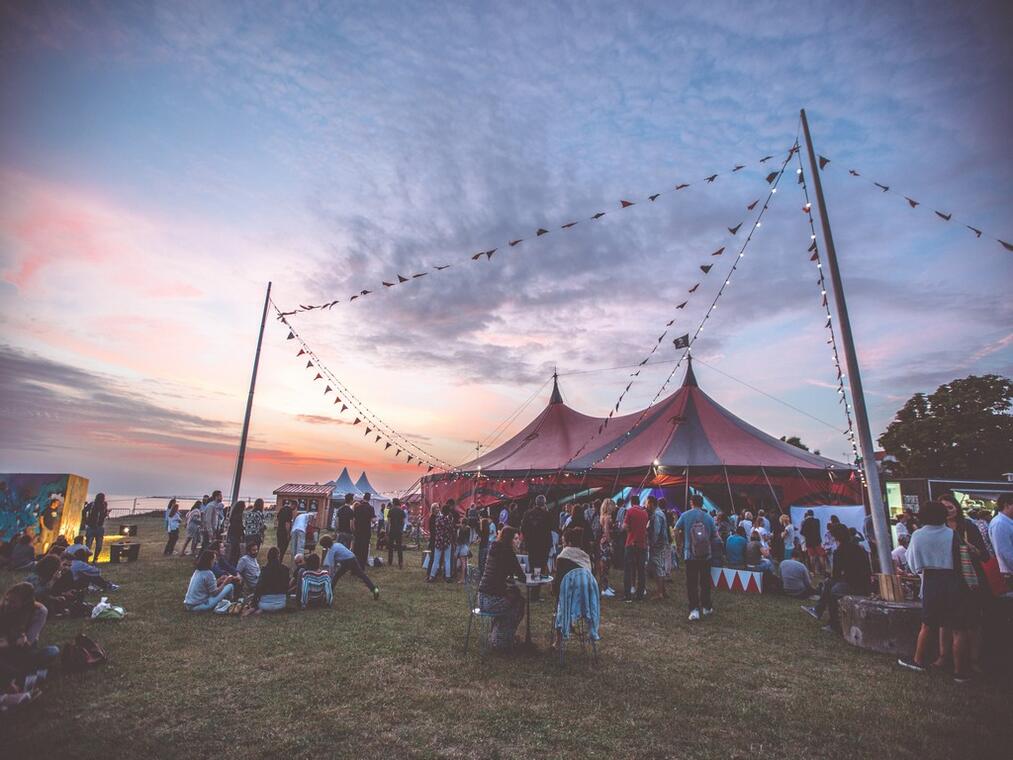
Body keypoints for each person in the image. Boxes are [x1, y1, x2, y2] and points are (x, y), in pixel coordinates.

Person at [898, 500, 973, 683]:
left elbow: (913, 563)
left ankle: (918, 660)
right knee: (958, 628)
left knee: (927, 624)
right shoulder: (952, 534)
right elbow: (962, 559)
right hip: (954, 580)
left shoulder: (918, 535)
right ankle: (959, 671)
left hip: (931, 580)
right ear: (943, 515)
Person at [803, 523, 871, 635]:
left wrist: (831, 579)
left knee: (832, 589)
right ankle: (819, 610)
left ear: (836, 537)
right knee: (830, 584)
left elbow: (836, 575)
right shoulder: (859, 548)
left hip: (853, 585)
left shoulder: (839, 552)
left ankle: (833, 623)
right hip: (864, 583)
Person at [477, 526, 526, 650]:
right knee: (519, 603)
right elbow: (522, 576)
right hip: (492, 601)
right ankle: (502, 640)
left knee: (514, 598)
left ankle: (498, 635)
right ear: (509, 539)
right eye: (515, 539)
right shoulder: (508, 552)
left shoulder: (494, 548)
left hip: (481, 598)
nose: (518, 541)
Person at [0, 583, 60, 683]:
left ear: (25, 603)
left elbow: (28, 642)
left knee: (52, 651)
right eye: (7, 600)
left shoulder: (39, 611)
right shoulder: (3, 608)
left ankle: (21, 673)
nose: (8, 604)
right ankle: (25, 674)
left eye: (13, 602)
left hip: (24, 648)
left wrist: (11, 642)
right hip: (5, 647)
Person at [675, 494, 716, 621]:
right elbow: (715, 535)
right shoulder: (709, 517)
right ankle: (706, 607)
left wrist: (679, 544)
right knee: (705, 582)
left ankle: (694, 610)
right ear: (702, 503)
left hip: (690, 554)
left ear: (691, 502)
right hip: (706, 555)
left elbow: (676, 529)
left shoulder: (685, 515)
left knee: (692, 583)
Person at [319, 535, 380, 599]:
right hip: (353, 558)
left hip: (346, 562)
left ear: (325, 545)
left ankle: (330, 590)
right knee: (362, 575)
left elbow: (331, 567)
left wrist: (329, 576)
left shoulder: (331, 550)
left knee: (336, 576)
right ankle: (374, 589)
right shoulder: (337, 544)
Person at [622, 495, 649, 602]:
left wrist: (629, 531)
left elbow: (624, 526)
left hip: (631, 543)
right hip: (642, 544)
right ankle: (640, 596)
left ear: (632, 502)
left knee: (628, 570)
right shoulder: (645, 513)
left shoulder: (630, 511)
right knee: (641, 571)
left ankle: (628, 596)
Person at [520, 495, 552, 585]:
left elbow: (523, 528)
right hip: (543, 545)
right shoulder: (547, 514)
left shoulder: (527, 513)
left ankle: (533, 587)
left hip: (531, 544)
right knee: (540, 567)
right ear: (544, 503)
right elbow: (551, 527)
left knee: (533, 565)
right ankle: (536, 591)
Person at [250, 547, 289, 613]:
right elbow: (286, 586)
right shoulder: (285, 569)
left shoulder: (265, 570)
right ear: (278, 556)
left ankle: (260, 609)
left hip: (265, 604)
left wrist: (253, 603)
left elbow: (259, 587)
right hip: (282, 603)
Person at [988, 493, 1013, 590]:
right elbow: (1004, 552)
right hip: (1009, 573)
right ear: (1006, 505)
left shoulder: (1006, 522)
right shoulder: (1000, 524)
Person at [646, 496, 669, 599]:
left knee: (657, 567)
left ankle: (659, 593)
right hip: (662, 544)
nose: (646, 505)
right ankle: (663, 591)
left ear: (651, 503)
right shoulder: (660, 513)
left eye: (647, 503)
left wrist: (652, 543)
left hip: (658, 545)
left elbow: (656, 531)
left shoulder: (656, 515)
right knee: (660, 567)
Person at [427, 504, 455, 583]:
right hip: (446, 541)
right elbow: (451, 530)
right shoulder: (448, 520)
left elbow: (435, 529)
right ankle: (448, 576)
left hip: (438, 541)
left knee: (436, 559)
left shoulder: (438, 519)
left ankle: (432, 576)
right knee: (447, 559)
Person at [597, 499, 616, 597]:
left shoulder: (602, 516)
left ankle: (605, 586)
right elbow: (607, 532)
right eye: (613, 505)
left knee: (604, 566)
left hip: (602, 542)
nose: (614, 507)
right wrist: (611, 544)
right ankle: (604, 589)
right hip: (606, 543)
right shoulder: (608, 517)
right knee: (605, 566)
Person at [83, 493, 109, 563]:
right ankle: (87, 559)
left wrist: (106, 514)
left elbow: (103, 515)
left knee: (98, 545)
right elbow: (84, 510)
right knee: (88, 545)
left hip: (99, 527)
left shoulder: (104, 505)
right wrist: (86, 520)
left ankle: (95, 558)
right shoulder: (92, 504)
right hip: (92, 526)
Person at [801, 509, 825, 575]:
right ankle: (823, 571)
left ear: (808, 514)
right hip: (817, 540)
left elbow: (802, 532)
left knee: (812, 557)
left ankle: (813, 572)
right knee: (821, 556)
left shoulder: (805, 522)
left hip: (809, 542)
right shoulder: (817, 521)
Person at [352, 496, 375, 568]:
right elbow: (373, 520)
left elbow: (354, 519)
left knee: (357, 548)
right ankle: (362, 566)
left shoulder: (357, 507)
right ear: (369, 499)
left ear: (363, 498)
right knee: (364, 548)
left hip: (358, 530)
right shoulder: (371, 508)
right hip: (366, 531)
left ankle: (355, 565)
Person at [386, 498, 406, 569]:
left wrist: (387, 532)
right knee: (399, 547)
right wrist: (402, 529)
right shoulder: (402, 511)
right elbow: (403, 522)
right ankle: (400, 562)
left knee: (390, 547)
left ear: (394, 503)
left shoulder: (391, 511)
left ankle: (390, 561)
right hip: (399, 531)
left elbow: (388, 522)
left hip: (392, 530)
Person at [226, 500, 246, 566]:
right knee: (235, 551)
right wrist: (243, 530)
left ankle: (232, 563)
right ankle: (232, 564)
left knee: (234, 551)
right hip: (236, 535)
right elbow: (238, 526)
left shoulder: (233, 515)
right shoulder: (238, 516)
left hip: (232, 534)